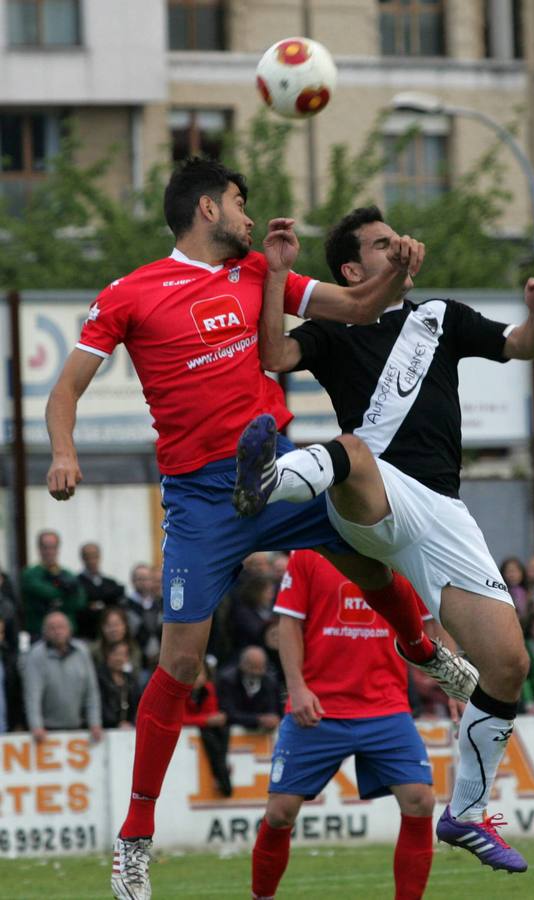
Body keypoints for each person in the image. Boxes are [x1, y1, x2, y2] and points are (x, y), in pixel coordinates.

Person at [44, 159, 457, 900]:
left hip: (278, 478)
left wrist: (395, 272)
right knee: (178, 665)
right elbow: (66, 387)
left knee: (367, 549)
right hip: (200, 499)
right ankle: (134, 841)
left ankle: (424, 650)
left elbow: (359, 306)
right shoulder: (130, 293)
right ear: (208, 208)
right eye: (240, 202)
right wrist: (66, 451)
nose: (249, 213)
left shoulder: (262, 277)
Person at [234, 205, 534, 873]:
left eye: (395, 238)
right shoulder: (332, 328)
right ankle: (269, 480)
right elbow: (273, 355)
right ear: (353, 269)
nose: (399, 246)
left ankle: (466, 814)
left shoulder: (439, 316)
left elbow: (519, 346)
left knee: (507, 667)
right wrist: (274, 272)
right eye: (381, 244)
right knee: (354, 449)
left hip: (441, 513)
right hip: (371, 497)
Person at [251, 550, 434, 900]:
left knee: (420, 801)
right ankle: (262, 897)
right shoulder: (308, 553)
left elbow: (431, 623)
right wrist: (298, 688)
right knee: (279, 813)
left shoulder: (397, 548)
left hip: (385, 706)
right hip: (317, 708)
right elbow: (288, 624)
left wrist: (449, 678)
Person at [21, 611, 102, 743]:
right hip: (47, 730)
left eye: (61, 627)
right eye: (52, 628)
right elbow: (32, 695)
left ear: (69, 629)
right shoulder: (36, 655)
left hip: (78, 728)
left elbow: (91, 692)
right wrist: (36, 726)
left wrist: (95, 723)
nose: (57, 631)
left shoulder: (82, 652)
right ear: (44, 632)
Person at [21, 530, 86, 637]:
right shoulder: (30, 574)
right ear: (39, 549)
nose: (49, 551)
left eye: (53, 547)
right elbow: (46, 592)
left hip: (67, 634)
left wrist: (56, 600)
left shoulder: (68, 574)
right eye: (45, 547)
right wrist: (66, 592)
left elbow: (80, 601)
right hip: (39, 633)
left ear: (58, 549)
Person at [183, 659, 232, 797]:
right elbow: (180, 718)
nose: (197, 678)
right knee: (209, 735)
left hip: (207, 729)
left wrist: (210, 720)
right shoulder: (180, 693)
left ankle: (221, 772)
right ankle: (222, 773)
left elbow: (210, 712)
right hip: (195, 730)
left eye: (200, 674)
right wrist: (206, 720)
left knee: (221, 731)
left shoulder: (209, 689)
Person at [216, 645, 282, 732]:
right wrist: (258, 719)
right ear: (242, 664)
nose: (256, 672)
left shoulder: (270, 682)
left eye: (260, 668)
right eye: (252, 667)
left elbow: (275, 709)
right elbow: (227, 712)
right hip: (232, 731)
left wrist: (272, 719)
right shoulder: (227, 681)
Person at [76, 542, 125, 641]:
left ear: (99, 557)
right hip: (87, 636)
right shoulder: (76, 583)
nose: (91, 560)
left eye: (94, 556)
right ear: (82, 558)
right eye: (87, 556)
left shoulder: (110, 582)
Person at [97, 641, 143, 729]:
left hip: (129, 728)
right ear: (107, 655)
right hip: (105, 729)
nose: (119, 658)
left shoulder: (131, 680)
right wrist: (116, 724)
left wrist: (133, 722)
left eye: (123, 654)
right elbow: (100, 706)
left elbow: (138, 703)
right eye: (115, 654)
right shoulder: (98, 678)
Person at [0, 615, 24, 733]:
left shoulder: (9, 661)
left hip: (5, 731)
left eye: (1, 632)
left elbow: (16, 694)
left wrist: (18, 722)